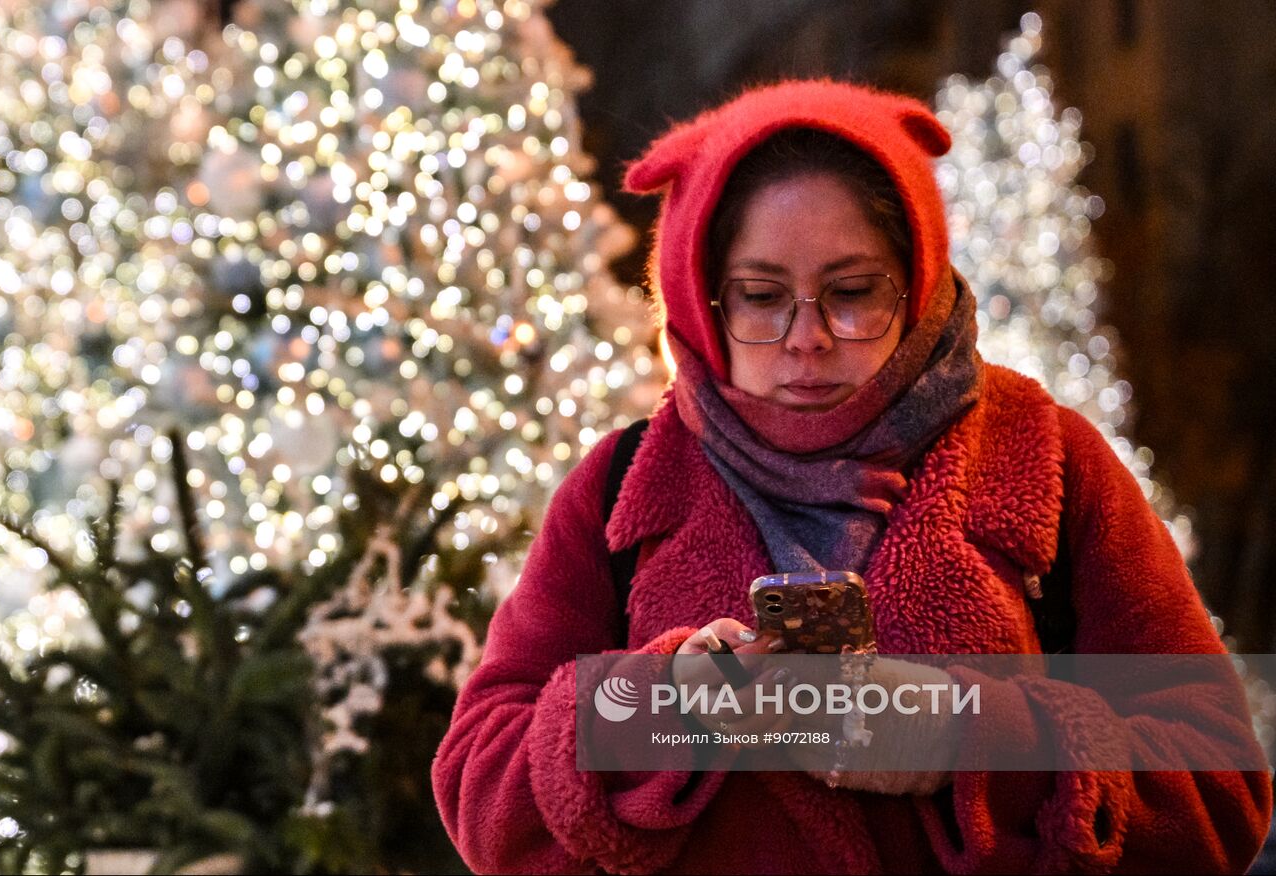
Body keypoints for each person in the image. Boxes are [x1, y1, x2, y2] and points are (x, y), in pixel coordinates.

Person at [431, 79, 1273, 874]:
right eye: (761, 296)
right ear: (700, 297)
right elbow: (480, 784)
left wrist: (963, 740)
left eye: (853, 291)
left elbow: (1219, 788)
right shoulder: (624, 484)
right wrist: (667, 708)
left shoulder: (1044, 456)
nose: (808, 338)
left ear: (917, 283)